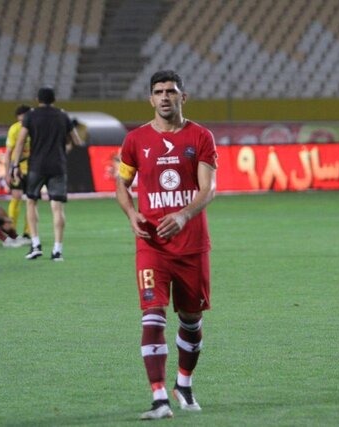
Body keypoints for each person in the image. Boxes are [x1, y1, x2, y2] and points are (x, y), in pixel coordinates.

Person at [115, 70, 218, 420]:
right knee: (152, 315)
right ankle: (159, 398)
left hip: (191, 245)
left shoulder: (201, 136)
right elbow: (121, 183)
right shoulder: (135, 140)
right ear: (150, 98)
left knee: (191, 319)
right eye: (158, 92)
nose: (164, 97)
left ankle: (183, 384)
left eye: (171, 92)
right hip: (152, 246)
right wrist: (131, 213)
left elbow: (208, 189)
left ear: (182, 97)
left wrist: (185, 214)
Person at [10, 86, 83, 261]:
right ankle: (57, 250)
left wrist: (14, 165)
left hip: (36, 165)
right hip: (57, 165)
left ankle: (35, 245)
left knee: (31, 203)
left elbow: (20, 142)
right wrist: (62, 149)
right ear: (54, 99)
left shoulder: (30, 116)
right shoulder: (62, 115)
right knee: (57, 207)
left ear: (38, 99)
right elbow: (77, 141)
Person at [4, 104, 32, 241]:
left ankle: (28, 233)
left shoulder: (36, 129)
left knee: (31, 201)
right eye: (21, 120)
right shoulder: (14, 129)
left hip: (32, 168)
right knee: (16, 197)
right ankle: (12, 232)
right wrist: (7, 172)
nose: (23, 122)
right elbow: (8, 152)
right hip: (17, 167)